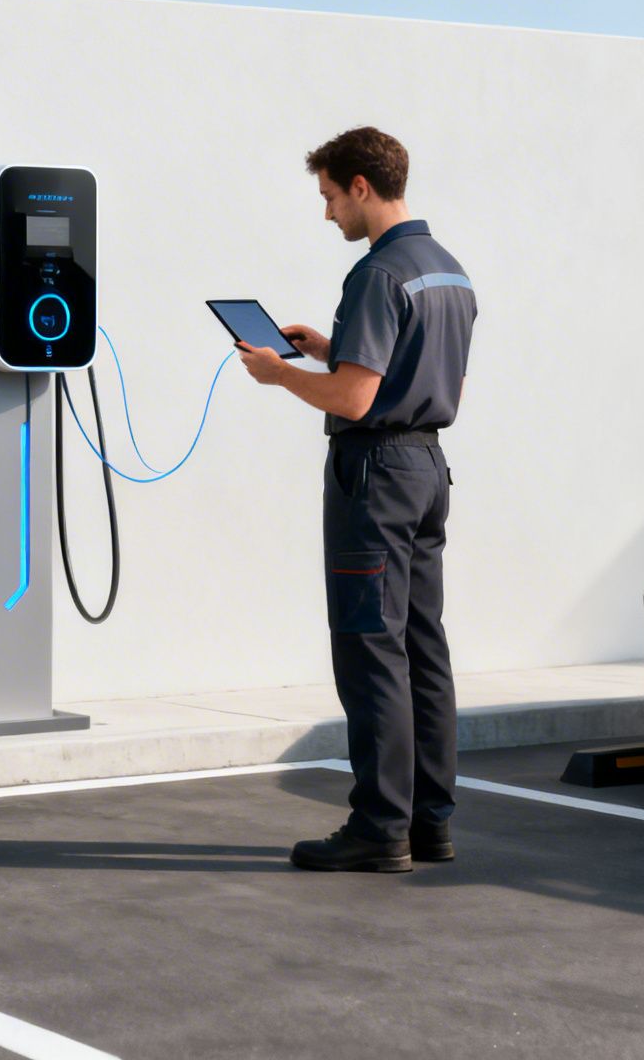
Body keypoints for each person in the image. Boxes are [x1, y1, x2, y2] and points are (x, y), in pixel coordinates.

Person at [236, 126, 478, 872]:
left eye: (331, 197)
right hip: (428, 469)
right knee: (420, 646)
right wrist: (320, 348)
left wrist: (280, 375)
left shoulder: (376, 275)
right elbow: (417, 374)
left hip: (373, 475)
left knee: (371, 648)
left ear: (362, 188)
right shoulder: (449, 271)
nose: (328, 213)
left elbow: (356, 394)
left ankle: (379, 828)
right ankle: (429, 822)